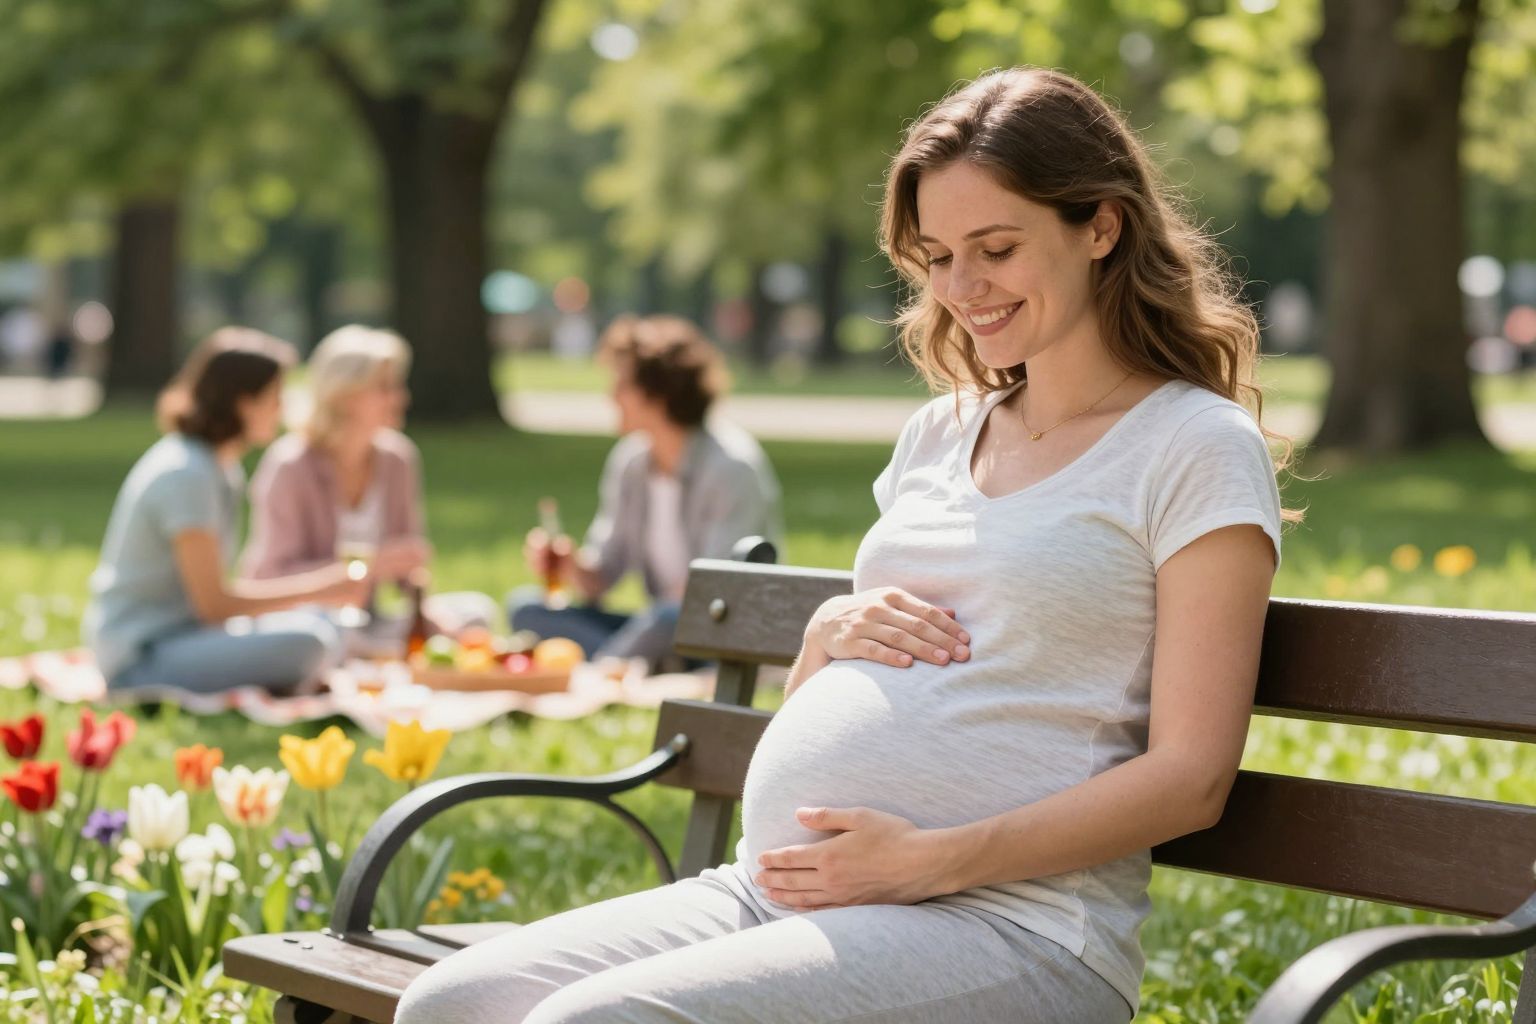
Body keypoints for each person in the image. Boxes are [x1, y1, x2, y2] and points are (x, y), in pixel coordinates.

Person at [397, 67, 1290, 1024]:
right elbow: (841, 693)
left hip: (1013, 927)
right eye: (938, 256)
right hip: (781, 894)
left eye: (996, 248)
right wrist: (826, 632)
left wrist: (927, 862)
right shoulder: (941, 434)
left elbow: (1192, 778)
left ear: (1101, 228)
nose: (962, 289)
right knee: (448, 1006)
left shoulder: (1192, 446)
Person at [83, 328, 364, 695]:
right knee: (310, 641)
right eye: (276, 397)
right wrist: (323, 586)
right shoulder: (187, 474)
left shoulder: (216, 468)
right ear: (244, 403)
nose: (282, 410)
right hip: (142, 655)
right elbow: (215, 606)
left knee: (326, 625)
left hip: (189, 635)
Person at [508, 314, 782, 670]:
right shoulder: (631, 463)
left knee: (664, 618)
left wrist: (656, 622)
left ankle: (606, 669)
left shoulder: (731, 466)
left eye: (621, 385)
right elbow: (601, 580)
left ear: (659, 392)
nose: (611, 396)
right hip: (656, 627)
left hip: (714, 630)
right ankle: (632, 663)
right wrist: (568, 564)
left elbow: (714, 593)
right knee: (526, 609)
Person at [241, 325, 498, 653]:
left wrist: (429, 611)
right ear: (344, 394)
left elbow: (408, 566)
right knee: (325, 637)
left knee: (475, 614)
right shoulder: (291, 465)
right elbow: (269, 577)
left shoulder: (397, 459)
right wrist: (367, 567)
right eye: (385, 387)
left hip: (366, 619)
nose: (401, 398)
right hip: (303, 619)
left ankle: (378, 655)